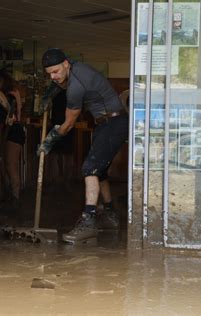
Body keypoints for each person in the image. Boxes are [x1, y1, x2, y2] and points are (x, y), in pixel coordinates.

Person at [38, 48, 128, 243]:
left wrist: (50, 140)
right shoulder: (75, 70)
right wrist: (49, 95)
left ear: (65, 64)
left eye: (55, 71)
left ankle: (89, 221)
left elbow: (69, 124)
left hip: (114, 123)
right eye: (49, 74)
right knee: (99, 170)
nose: (53, 76)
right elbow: (60, 83)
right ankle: (110, 214)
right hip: (106, 123)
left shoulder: (76, 86)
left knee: (90, 168)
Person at [0, 69, 25, 212]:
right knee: (5, 166)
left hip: (12, 132)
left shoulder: (5, 95)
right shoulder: (13, 94)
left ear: (1, 81)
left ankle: (15, 199)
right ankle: (11, 197)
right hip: (9, 131)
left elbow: (12, 116)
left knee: (11, 165)